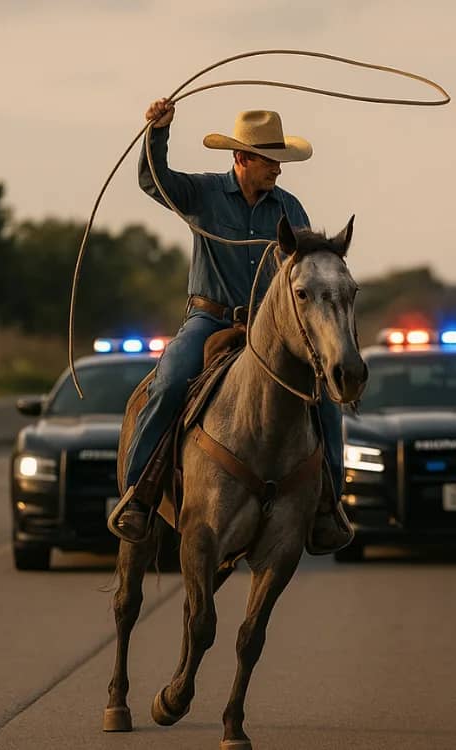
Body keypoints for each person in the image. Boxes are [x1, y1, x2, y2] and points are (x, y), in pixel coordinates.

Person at [107, 99, 352, 554]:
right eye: (270, 160)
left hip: (271, 328)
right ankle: (138, 496)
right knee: (170, 381)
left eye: (280, 160)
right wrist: (157, 133)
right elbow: (152, 181)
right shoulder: (202, 194)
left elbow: (300, 272)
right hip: (210, 317)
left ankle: (328, 507)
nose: (278, 169)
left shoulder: (289, 207)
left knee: (325, 402)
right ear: (241, 158)